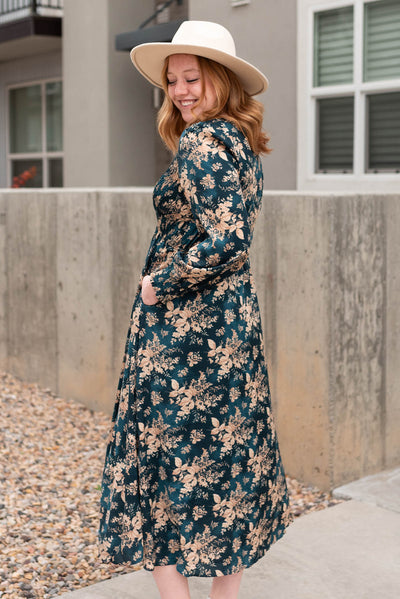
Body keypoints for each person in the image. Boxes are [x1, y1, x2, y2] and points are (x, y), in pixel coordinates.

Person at [98, 20, 293, 599]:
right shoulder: (238, 138)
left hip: (187, 332)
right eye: (173, 80)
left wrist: (161, 282)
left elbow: (228, 239)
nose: (181, 91)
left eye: (194, 79)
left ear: (223, 82)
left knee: (160, 460)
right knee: (228, 455)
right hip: (228, 324)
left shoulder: (203, 140)